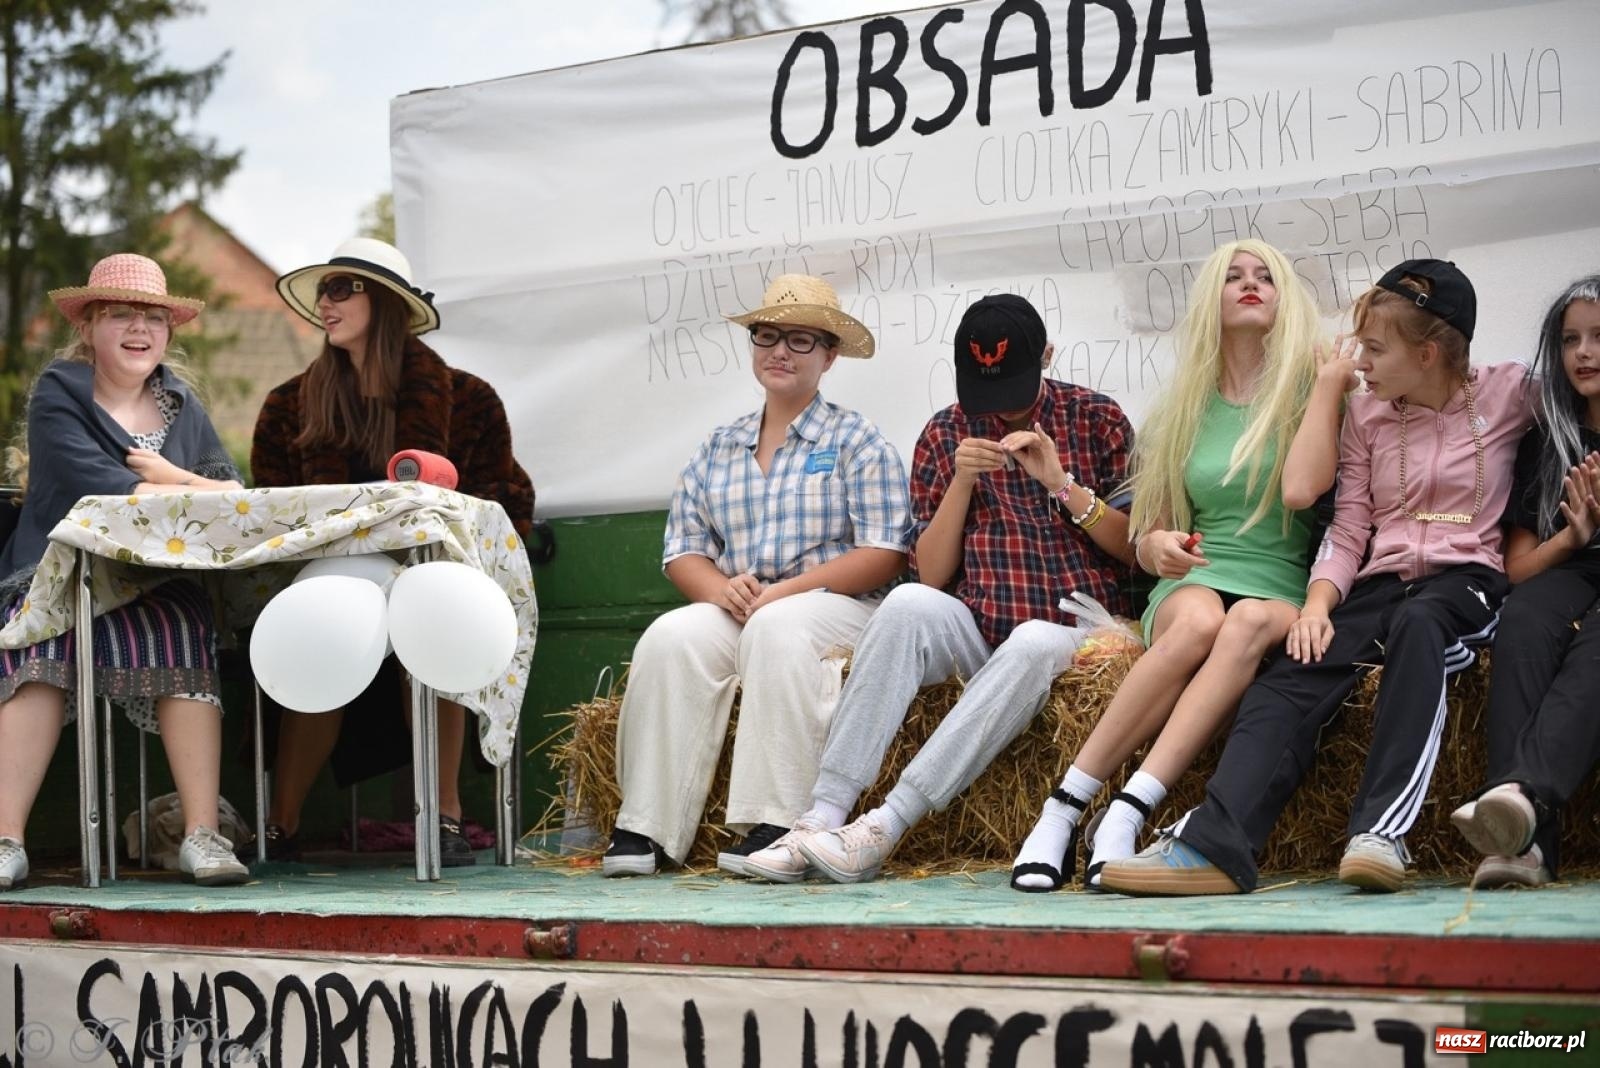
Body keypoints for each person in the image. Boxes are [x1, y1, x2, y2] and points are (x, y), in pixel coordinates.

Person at [1102, 259, 1533, 897]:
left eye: (1376, 348)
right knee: (1289, 675)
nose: (1360, 360)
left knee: (1420, 626)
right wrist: (1317, 605)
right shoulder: (1369, 414)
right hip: (1378, 582)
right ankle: (1214, 845)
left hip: (1464, 582)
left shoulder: (1510, 392)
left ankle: (1380, 833)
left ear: (1428, 352)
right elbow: (1350, 525)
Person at [725, 294, 1136, 885]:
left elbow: (1134, 548)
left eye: (1012, 388)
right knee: (908, 603)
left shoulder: (1097, 418)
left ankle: (885, 826)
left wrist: (1061, 482)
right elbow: (932, 576)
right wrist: (963, 482)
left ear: (1046, 357)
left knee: (1030, 642)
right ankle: (822, 816)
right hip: (981, 622)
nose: (998, 408)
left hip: (1079, 630)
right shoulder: (946, 430)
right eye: (983, 390)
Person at [1007, 240, 1330, 892]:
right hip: (1199, 577)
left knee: (1242, 627)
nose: (1250, 284)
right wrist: (1155, 547)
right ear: (1210, 297)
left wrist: (1329, 384)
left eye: (1266, 275)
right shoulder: (1183, 405)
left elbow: (1313, 490)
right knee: (1201, 623)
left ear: (1286, 296)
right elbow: (1147, 537)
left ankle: (1127, 813)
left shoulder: (1313, 392)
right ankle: (1064, 807)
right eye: (1233, 276)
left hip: (1283, 582)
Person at [603, 274, 911, 877]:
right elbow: (684, 550)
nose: (779, 351)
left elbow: (885, 552)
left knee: (779, 626)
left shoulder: (857, 440)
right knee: (672, 636)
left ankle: (777, 822)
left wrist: (782, 593)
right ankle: (647, 826)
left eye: (801, 340)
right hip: (747, 605)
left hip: (835, 605)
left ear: (830, 356)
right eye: (767, 335)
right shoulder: (719, 446)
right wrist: (720, 589)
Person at [251, 237, 534, 866]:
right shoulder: (287, 406)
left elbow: (501, 503)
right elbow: (274, 510)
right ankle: (280, 823)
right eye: (324, 288)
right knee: (324, 613)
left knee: (435, 608)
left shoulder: (471, 399)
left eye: (342, 287)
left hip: (436, 575)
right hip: (332, 578)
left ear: (386, 303)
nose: (326, 301)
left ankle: (447, 818)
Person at [0, 253, 248, 890]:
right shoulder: (60, 390)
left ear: (168, 332)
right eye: (121, 314)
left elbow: (235, 494)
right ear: (88, 326)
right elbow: (103, 494)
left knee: (185, 625)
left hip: (153, 579)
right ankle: (6, 840)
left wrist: (175, 479)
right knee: (40, 638)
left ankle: (201, 835)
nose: (140, 328)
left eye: (153, 317)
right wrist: (186, 492)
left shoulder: (181, 405)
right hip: (59, 570)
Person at [1451, 275, 1600, 889]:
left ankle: (1520, 809)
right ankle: (1522, 844)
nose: (1584, 352)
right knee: (1526, 620)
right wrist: (1573, 535)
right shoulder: (1549, 442)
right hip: (1572, 563)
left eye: (1598, 337)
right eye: (1570, 339)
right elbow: (1516, 569)